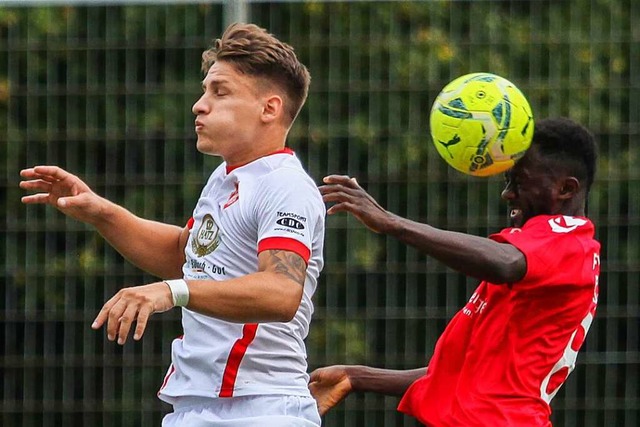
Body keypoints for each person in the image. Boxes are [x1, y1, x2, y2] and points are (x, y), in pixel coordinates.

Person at [20, 23, 324, 427]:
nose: (200, 105)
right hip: (197, 404)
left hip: (260, 407)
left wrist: (170, 292)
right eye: (204, 91)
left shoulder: (285, 184)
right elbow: (186, 257)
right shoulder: (225, 178)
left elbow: (283, 292)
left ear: (269, 108)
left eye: (220, 92)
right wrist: (102, 212)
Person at [309, 117, 600, 426]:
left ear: (566, 189)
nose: (508, 194)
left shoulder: (567, 243)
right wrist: (355, 377)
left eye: (519, 182)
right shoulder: (540, 257)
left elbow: (504, 263)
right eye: (507, 182)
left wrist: (391, 222)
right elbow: (454, 375)